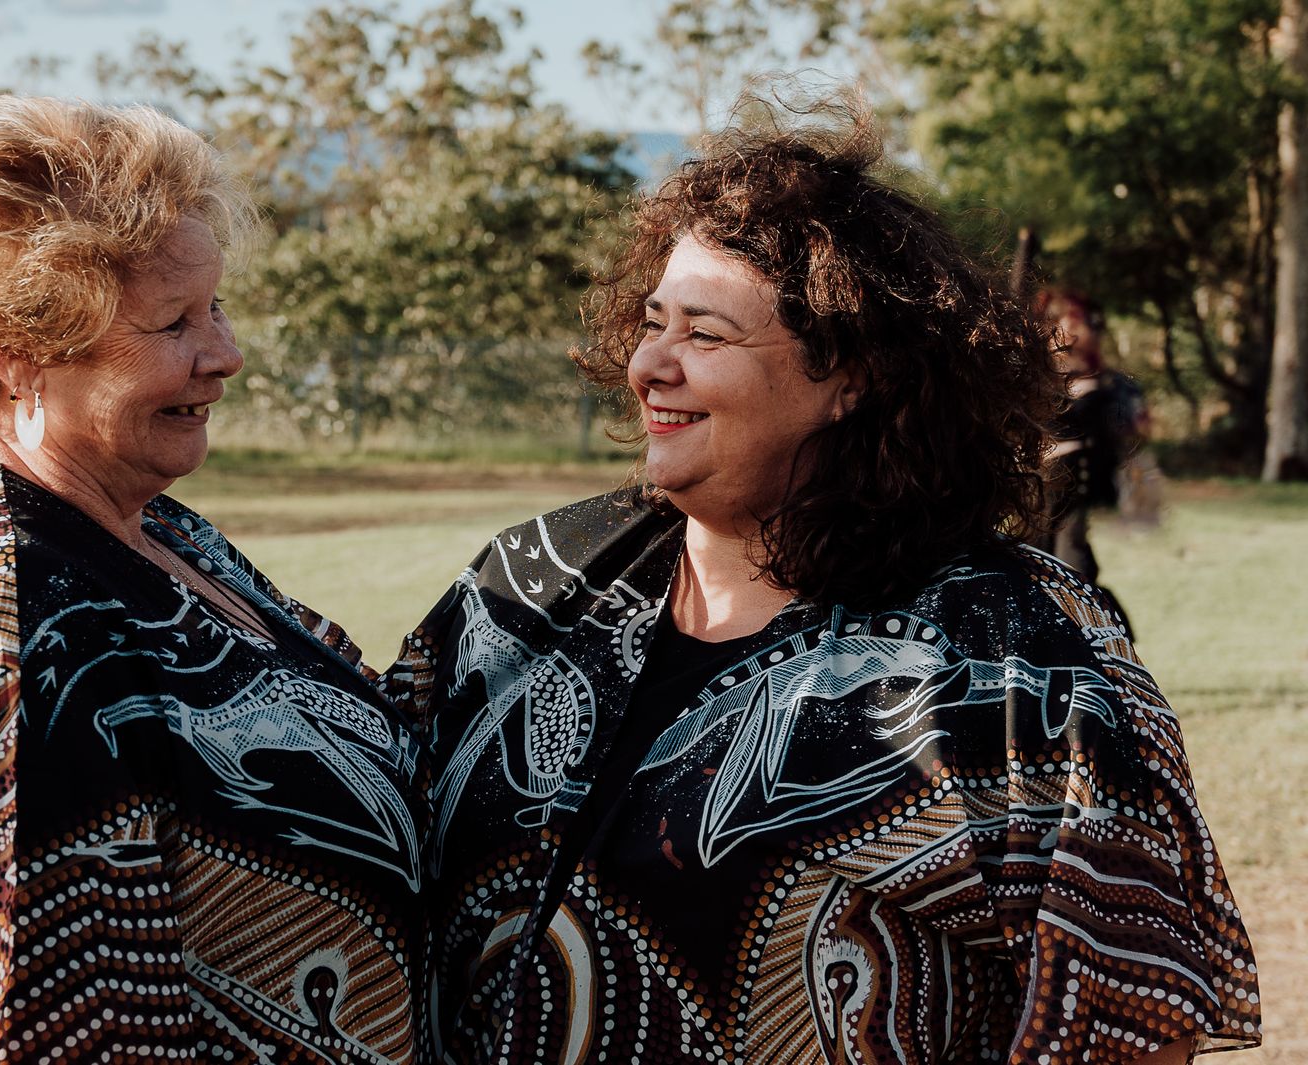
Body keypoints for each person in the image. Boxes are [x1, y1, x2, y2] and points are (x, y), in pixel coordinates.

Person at [386, 102, 1260, 1063]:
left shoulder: (1016, 653)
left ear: (849, 376)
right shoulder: (530, 581)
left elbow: (1128, 1008)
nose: (647, 366)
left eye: (704, 335)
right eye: (653, 322)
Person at [0, 96, 422, 1063]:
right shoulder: (6, 625)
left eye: (215, 306)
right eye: (174, 322)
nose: (226, 354)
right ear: (16, 355)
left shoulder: (149, 526)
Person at [1030, 288, 1152, 587]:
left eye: (1078, 322)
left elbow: (1132, 429)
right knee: (1036, 556)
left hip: (1075, 477)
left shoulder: (1104, 381)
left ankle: (1085, 607)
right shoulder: (1038, 373)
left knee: (1070, 558)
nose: (1071, 329)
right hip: (1039, 481)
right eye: (1064, 321)